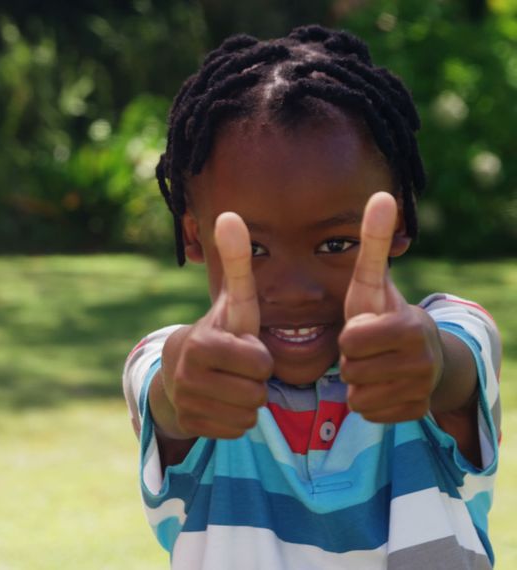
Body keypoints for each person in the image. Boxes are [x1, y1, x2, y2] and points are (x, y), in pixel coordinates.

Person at [122, 26, 501, 569]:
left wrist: (432, 362)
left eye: (336, 243)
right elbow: (165, 385)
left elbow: (457, 356)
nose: (295, 290)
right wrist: (181, 390)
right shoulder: (196, 367)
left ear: (396, 219)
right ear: (192, 236)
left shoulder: (426, 344)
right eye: (253, 248)